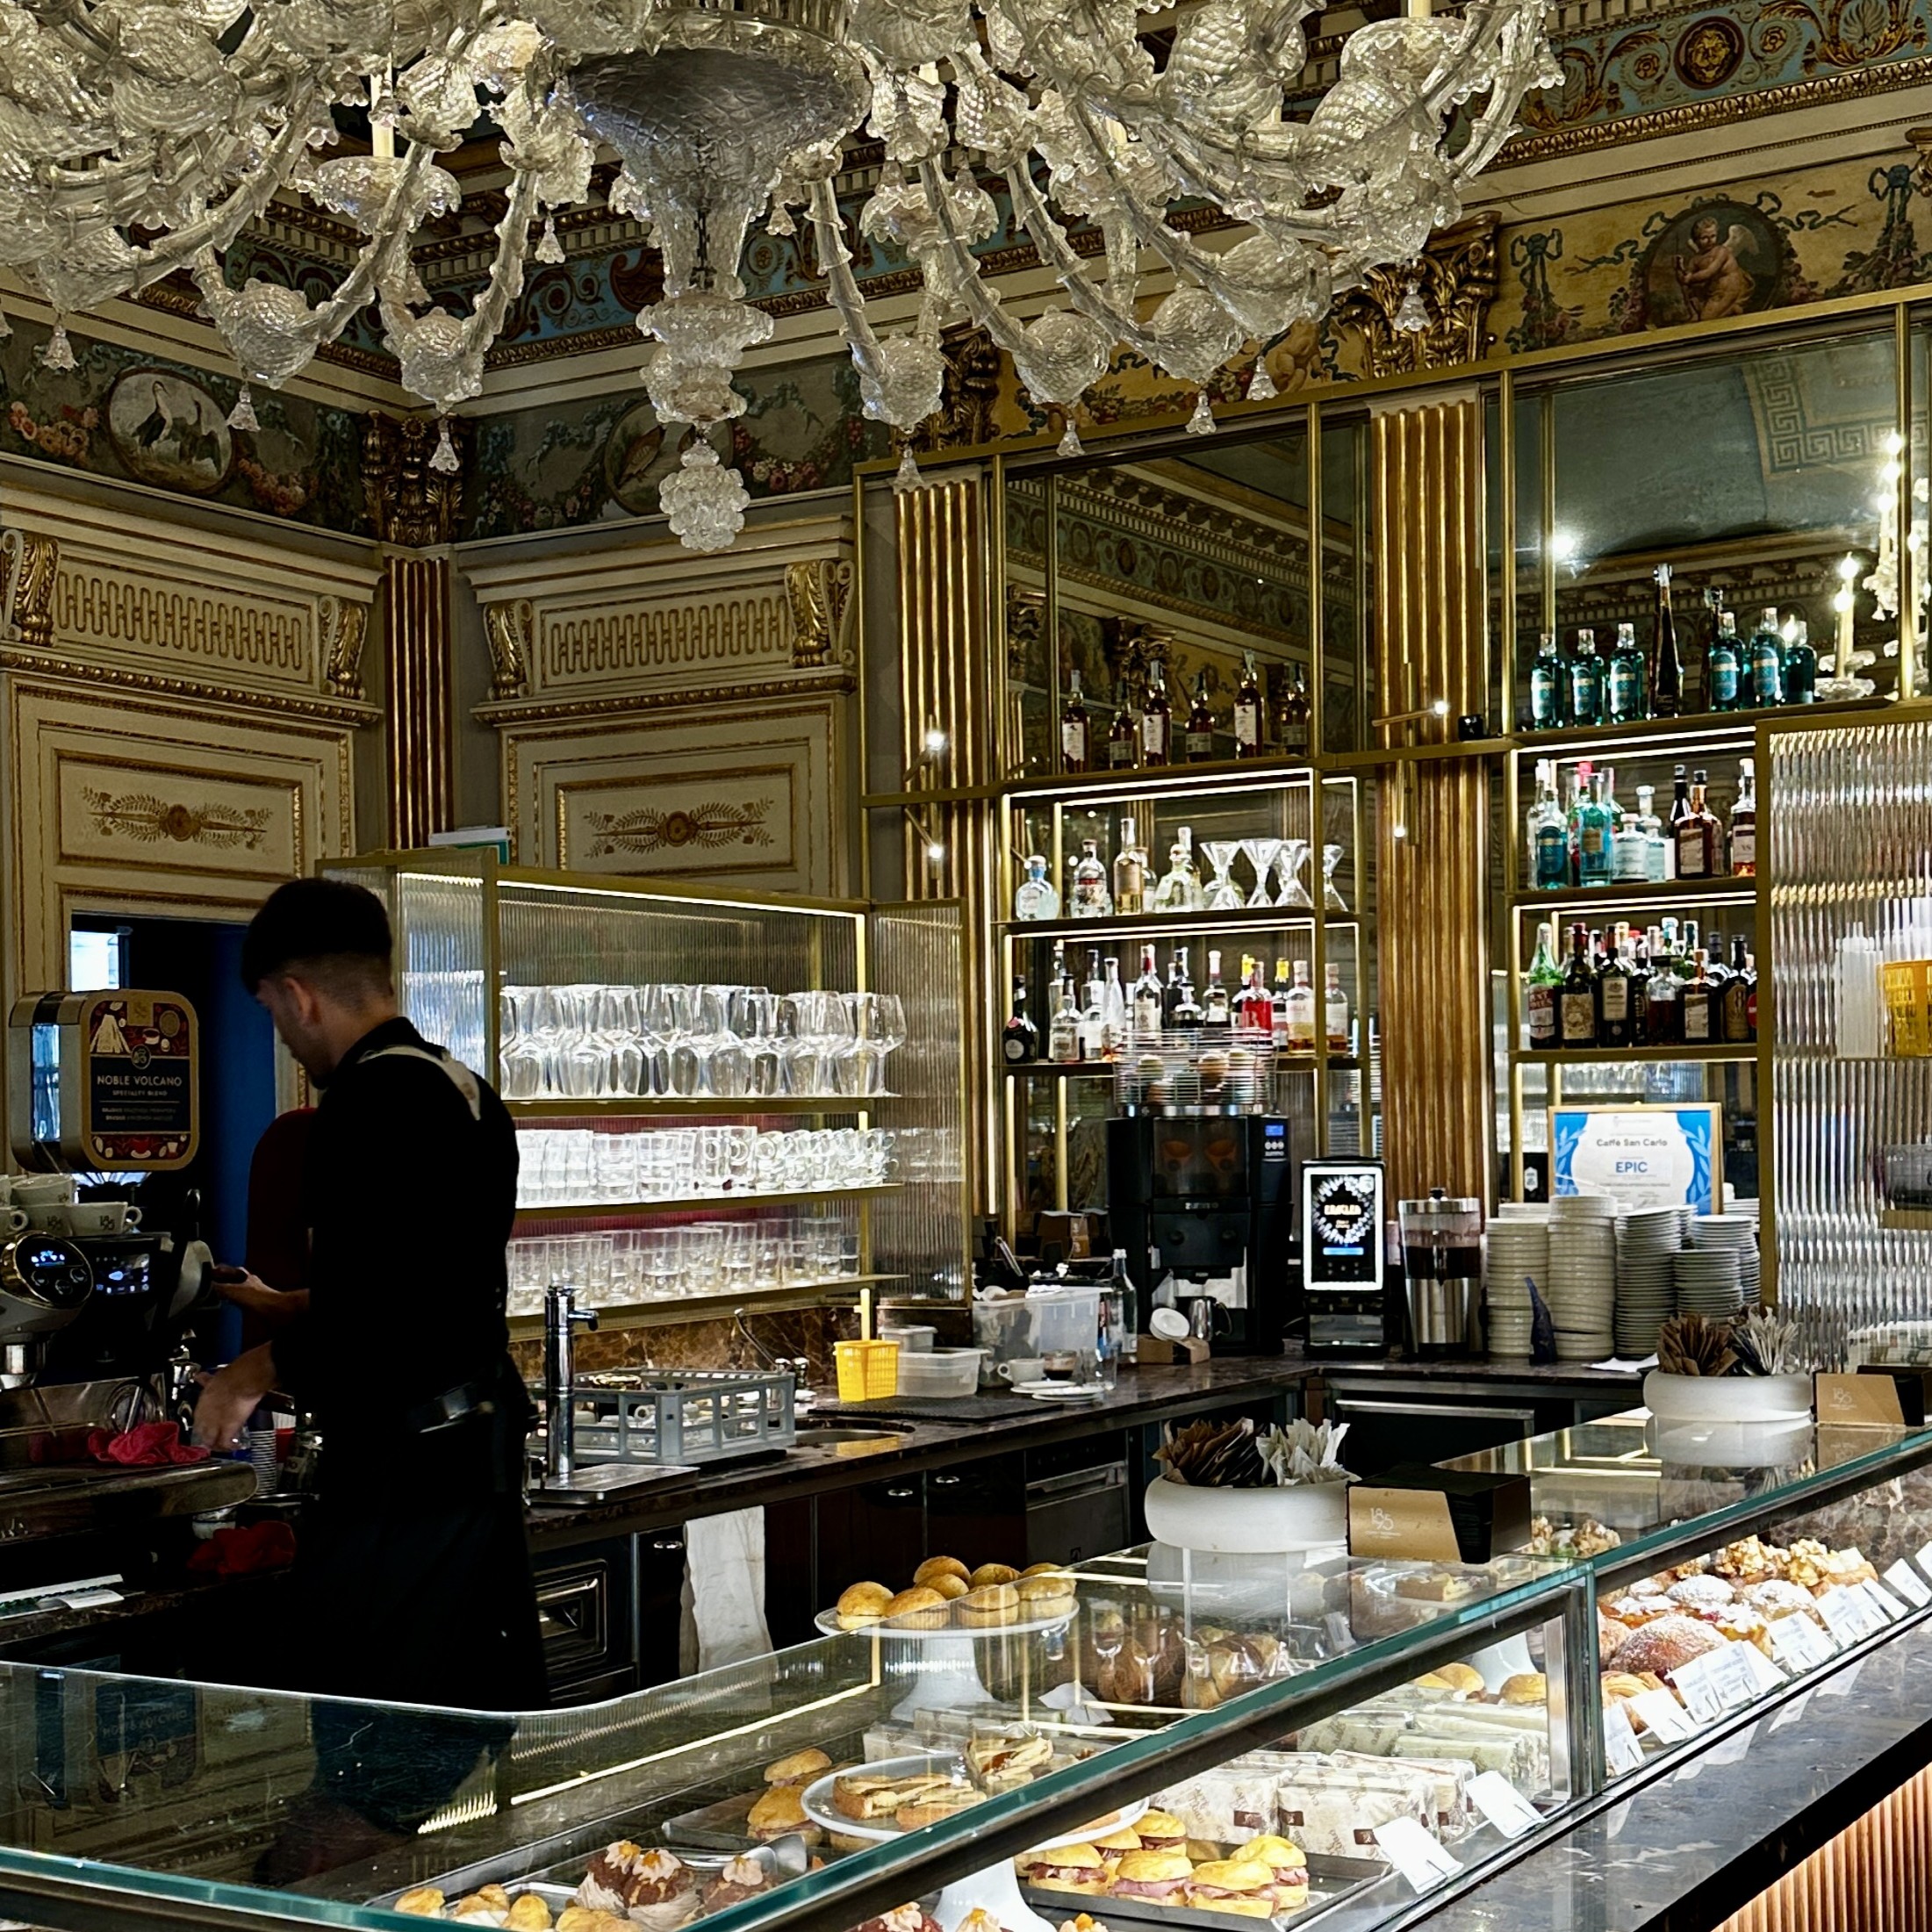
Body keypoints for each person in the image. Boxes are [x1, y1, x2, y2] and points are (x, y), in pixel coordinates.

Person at [194, 877, 544, 1859]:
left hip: (407, 1484)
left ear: (298, 993)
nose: (280, 1036)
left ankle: (300, 1905)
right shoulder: (463, 1089)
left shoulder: (363, 1100)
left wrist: (252, 1366)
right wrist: (299, 1308)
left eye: (271, 1010)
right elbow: (427, 1292)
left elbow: (387, 1321)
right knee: (422, 1751)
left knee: (366, 1773)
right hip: (469, 1460)